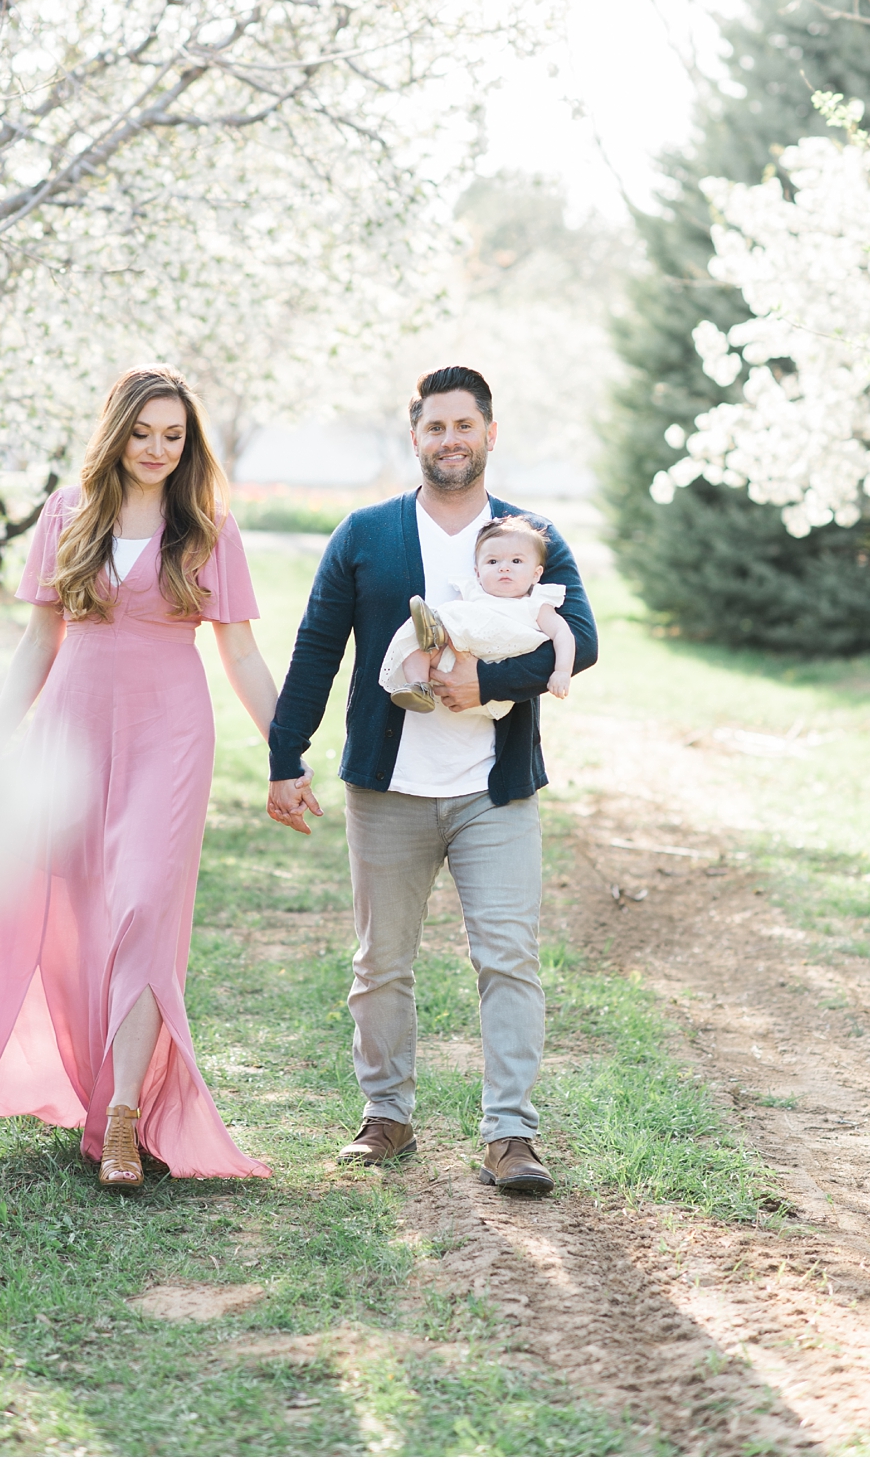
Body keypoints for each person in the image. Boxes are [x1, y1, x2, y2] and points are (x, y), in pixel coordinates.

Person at [0, 365, 280, 1187]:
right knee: (69, 915)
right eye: (144, 432)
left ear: (189, 444)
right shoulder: (66, 515)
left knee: (145, 907)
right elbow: (37, 644)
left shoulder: (209, 528)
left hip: (169, 736)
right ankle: (62, 1085)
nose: (157, 449)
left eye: (174, 435)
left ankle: (121, 1119)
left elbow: (244, 654)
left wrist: (285, 755)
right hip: (70, 734)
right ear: (116, 433)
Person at [264, 365, 595, 1194]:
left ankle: (510, 1134)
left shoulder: (530, 534)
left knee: (510, 957)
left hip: (495, 788)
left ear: (491, 432)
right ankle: (387, 1116)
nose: (450, 439)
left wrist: (489, 687)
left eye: (464, 424)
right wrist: (284, 755)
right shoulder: (366, 534)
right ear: (414, 438)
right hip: (387, 790)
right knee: (381, 963)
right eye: (435, 427)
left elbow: (580, 639)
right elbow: (315, 648)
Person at [380, 515, 575, 714]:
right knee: (416, 641)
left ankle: (435, 629)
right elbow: (453, 614)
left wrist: (562, 671)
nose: (504, 567)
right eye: (492, 561)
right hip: (450, 661)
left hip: (492, 672)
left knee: (445, 620)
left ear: (536, 574)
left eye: (516, 561)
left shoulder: (536, 604)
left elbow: (563, 634)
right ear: (478, 573)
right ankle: (419, 686)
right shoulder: (473, 591)